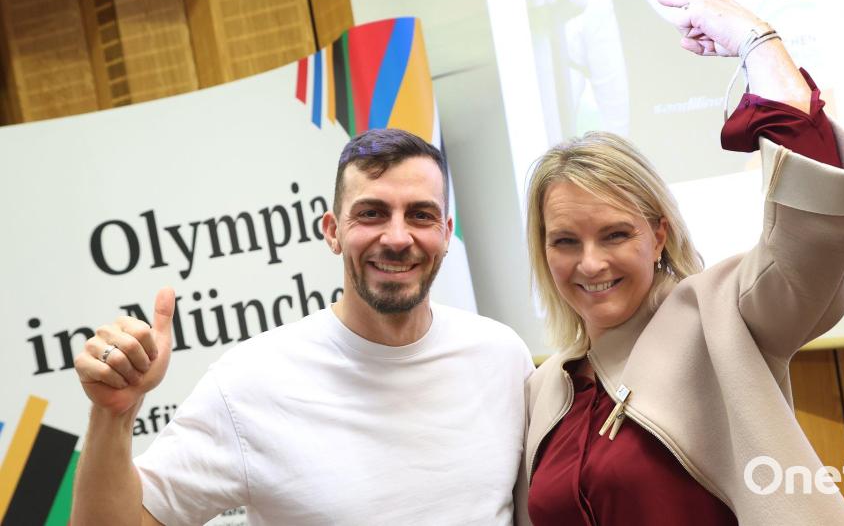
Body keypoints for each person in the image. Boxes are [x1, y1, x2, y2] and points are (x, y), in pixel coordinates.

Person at [518, 0, 844, 526]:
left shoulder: (721, 318)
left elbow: (812, 242)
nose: (589, 264)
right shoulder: (544, 390)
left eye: (614, 235)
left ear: (658, 235)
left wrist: (758, 43)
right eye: (565, 241)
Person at [70, 129, 534, 525]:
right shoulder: (250, 382)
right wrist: (114, 414)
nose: (396, 238)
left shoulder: (502, 358)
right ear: (332, 231)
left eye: (421, 215)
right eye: (371, 213)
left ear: (446, 233)